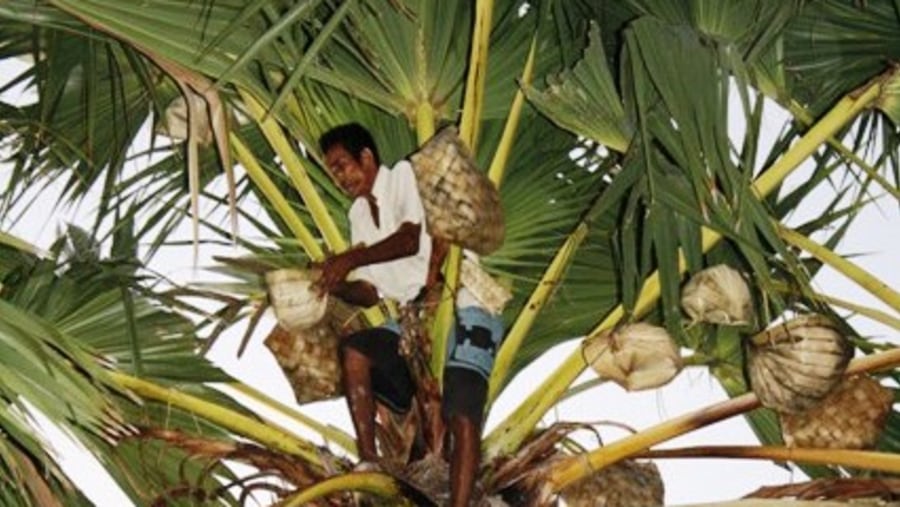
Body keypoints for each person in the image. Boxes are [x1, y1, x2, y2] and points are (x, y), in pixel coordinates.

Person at [316, 123, 504, 507]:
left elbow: (409, 239)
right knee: (355, 351)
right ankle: (369, 461)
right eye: (332, 171)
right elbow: (370, 293)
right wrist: (335, 284)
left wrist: (350, 258)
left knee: (461, 412)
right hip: (410, 322)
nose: (339, 177)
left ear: (367, 158)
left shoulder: (401, 177)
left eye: (342, 165)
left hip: (460, 303)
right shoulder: (358, 215)